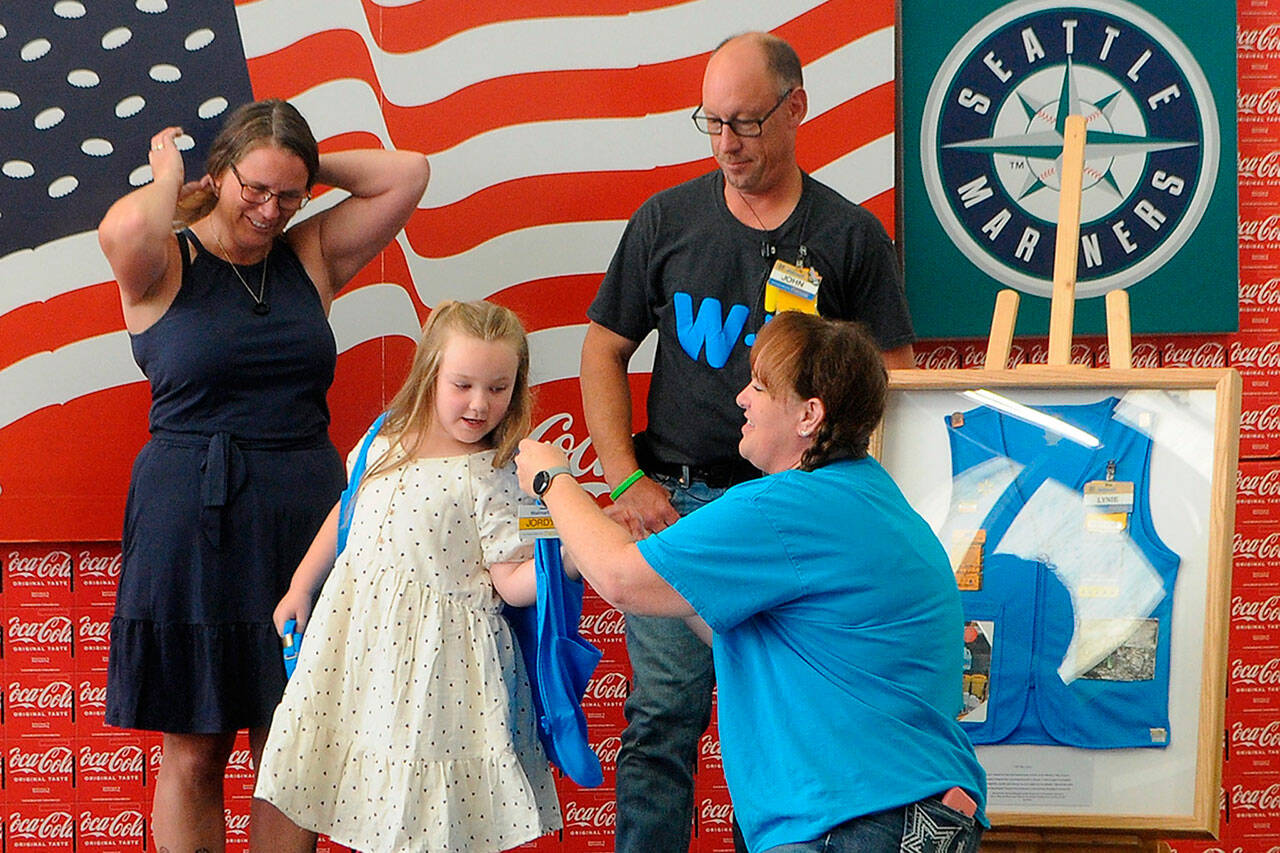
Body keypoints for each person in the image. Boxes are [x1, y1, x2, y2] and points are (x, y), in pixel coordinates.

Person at [578, 30, 916, 851]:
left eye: (747, 123)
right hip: (677, 504)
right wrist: (624, 481)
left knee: (783, 723)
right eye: (712, 122)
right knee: (662, 720)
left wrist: (840, 491)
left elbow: (895, 379)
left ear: (797, 108)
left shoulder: (849, 236)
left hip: (796, 512)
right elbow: (601, 349)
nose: (728, 143)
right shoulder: (665, 220)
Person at [519, 311, 986, 853]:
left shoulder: (786, 507)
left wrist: (554, 481)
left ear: (810, 415)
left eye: (761, 386)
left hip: (851, 820)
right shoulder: (867, 496)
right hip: (916, 813)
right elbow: (766, 642)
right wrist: (675, 564)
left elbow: (620, 579)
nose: (742, 398)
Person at [97, 98, 430, 850]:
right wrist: (168, 179)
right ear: (220, 174)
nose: (271, 209)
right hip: (191, 520)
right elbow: (121, 229)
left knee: (292, 746)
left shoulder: (308, 254)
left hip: (301, 518)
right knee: (194, 746)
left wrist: (304, 163)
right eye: (255, 188)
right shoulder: (162, 261)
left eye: (290, 194)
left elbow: (408, 174)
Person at [252, 300, 562, 853]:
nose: (479, 404)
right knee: (311, 782)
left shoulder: (496, 473)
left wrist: (571, 558)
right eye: (462, 384)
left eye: (498, 387)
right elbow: (347, 512)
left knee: (419, 818)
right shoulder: (384, 438)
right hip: (354, 650)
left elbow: (512, 580)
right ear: (429, 375)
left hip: (439, 674)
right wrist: (301, 584)